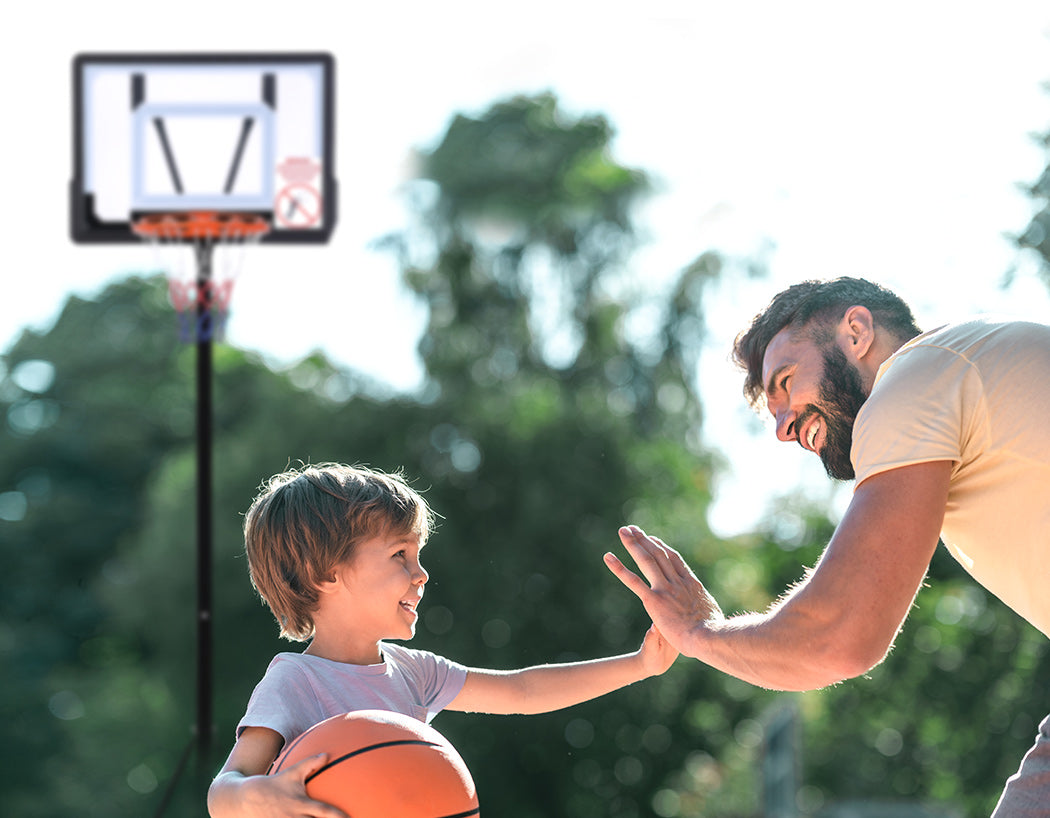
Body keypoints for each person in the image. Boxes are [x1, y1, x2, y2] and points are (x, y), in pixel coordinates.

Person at [603, 277, 1050, 816]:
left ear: (856, 331)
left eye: (787, 381)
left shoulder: (912, 378)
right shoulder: (965, 372)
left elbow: (837, 635)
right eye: (774, 415)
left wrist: (697, 632)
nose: (784, 428)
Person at [208, 462, 676, 818]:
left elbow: (523, 691)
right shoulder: (295, 680)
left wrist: (640, 665)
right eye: (400, 554)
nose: (422, 573)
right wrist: (255, 795)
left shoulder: (414, 672)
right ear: (326, 572)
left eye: (418, 554)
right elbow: (222, 791)